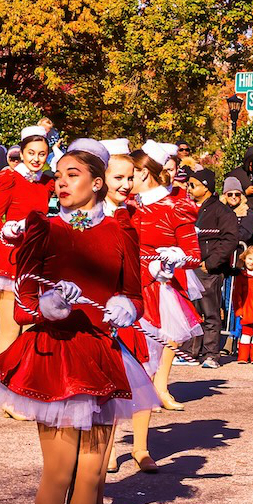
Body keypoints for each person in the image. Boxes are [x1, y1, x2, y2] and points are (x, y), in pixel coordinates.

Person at [0, 143, 153, 504]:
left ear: (97, 182)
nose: (60, 182)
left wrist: (128, 307)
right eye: (58, 175)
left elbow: (133, 292)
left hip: (101, 356)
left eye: (71, 174)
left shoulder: (122, 231)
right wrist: (46, 306)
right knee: (59, 473)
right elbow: (24, 300)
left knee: (92, 475)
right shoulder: (44, 228)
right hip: (55, 355)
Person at [99, 138, 163, 477]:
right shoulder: (90, 214)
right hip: (100, 309)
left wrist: (158, 263)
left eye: (131, 177)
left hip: (135, 301)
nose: (126, 185)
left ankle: (139, 447)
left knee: (139, 377)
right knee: (105, 389)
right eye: (119, 178)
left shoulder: (134, 213)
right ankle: (104, 457)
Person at [130, 141, 203, 410]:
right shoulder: (127, 205)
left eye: (131, 175)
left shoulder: (174, 207)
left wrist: (171, 258)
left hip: (155, 286)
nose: (126, 181)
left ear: (144, 173)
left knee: (161, 341)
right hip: (127, 281)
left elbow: (194, 255)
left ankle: (158, 389)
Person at [0, 125, 53, 358]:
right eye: (31, 153)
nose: (36, 159)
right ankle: (1, 377)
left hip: (37, 257)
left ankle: (26, 377)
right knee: (10, 326)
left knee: (33, 324)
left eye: (42, 154)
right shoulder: (9, 179)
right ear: (22, 153)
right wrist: (8, 228)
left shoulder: (47, 182)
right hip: (11, 258)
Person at [185, 169, 239, 368]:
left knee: (210, 312)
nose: (189, 189)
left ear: (206, 187)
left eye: (193, 185)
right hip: (187, 266)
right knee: (189, 311)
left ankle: (211, 354)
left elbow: (230, 239)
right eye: (188, 185)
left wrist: (211, 263)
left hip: (208, 270)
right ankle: (189, 351)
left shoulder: (221, 211)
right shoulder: (187, 207)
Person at [227, 145, 253, 216]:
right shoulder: (236, 175)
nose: (251, 167)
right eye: (249, 164)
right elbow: (228, 196)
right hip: (243, 210)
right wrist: (245, 192)